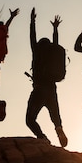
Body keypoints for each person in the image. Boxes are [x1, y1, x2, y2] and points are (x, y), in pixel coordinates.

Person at [25, 8, 68, 147]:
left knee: (30, 119)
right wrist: (55, 29)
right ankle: (59, 129)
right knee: (55, 117)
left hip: (39, 89)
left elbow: (32, 36)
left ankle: (42, 137)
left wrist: (32, 20)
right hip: (52, 89)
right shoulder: (53, 51)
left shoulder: (36, 51)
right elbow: (56, 44)